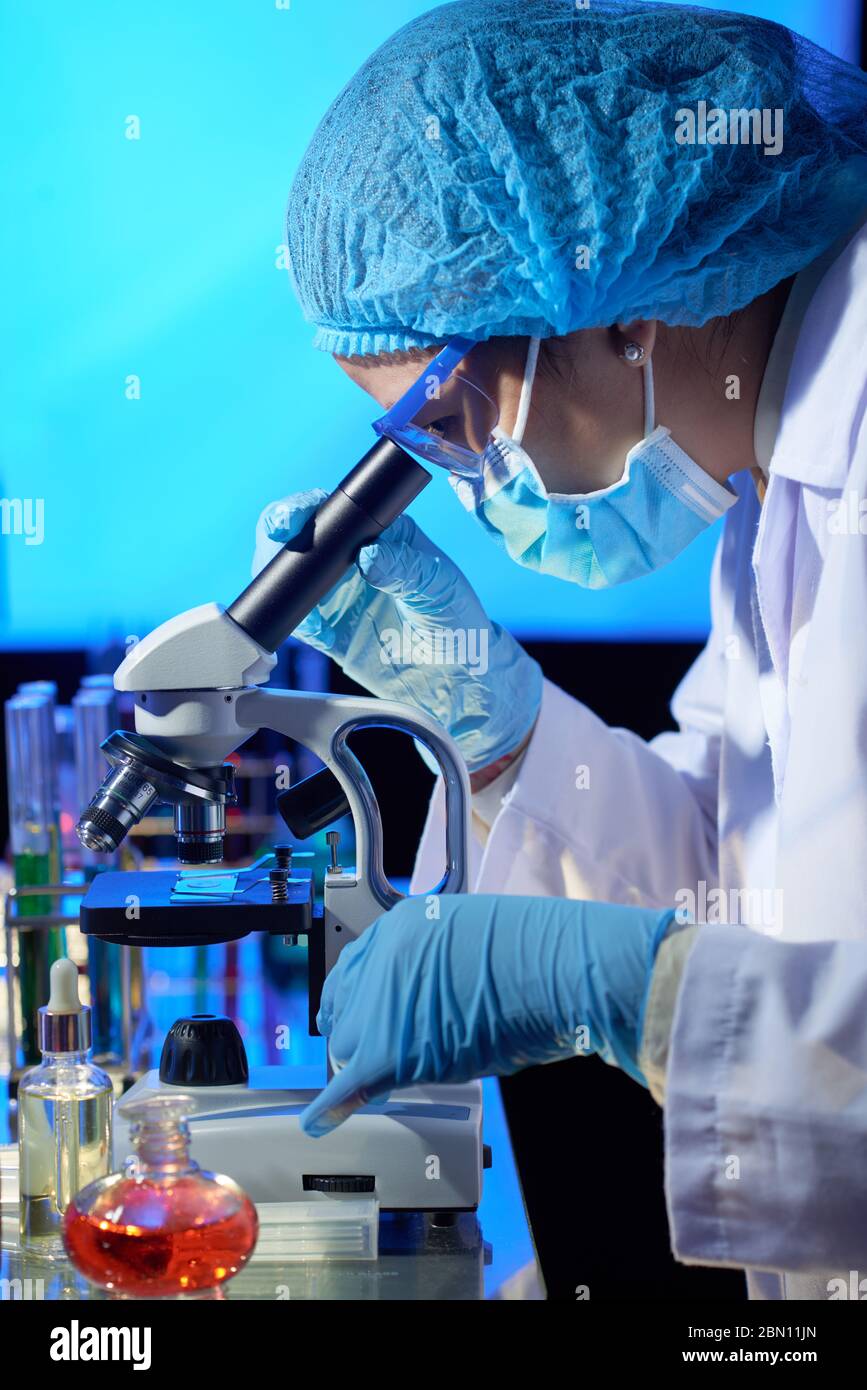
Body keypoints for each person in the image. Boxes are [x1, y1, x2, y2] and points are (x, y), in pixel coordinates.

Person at [253, 0, 867, 1299]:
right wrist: (501, 719)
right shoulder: (774, 494)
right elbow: (735, 864)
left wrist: (614, 982)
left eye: (460, 417)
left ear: (620, 308)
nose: (474, 484)